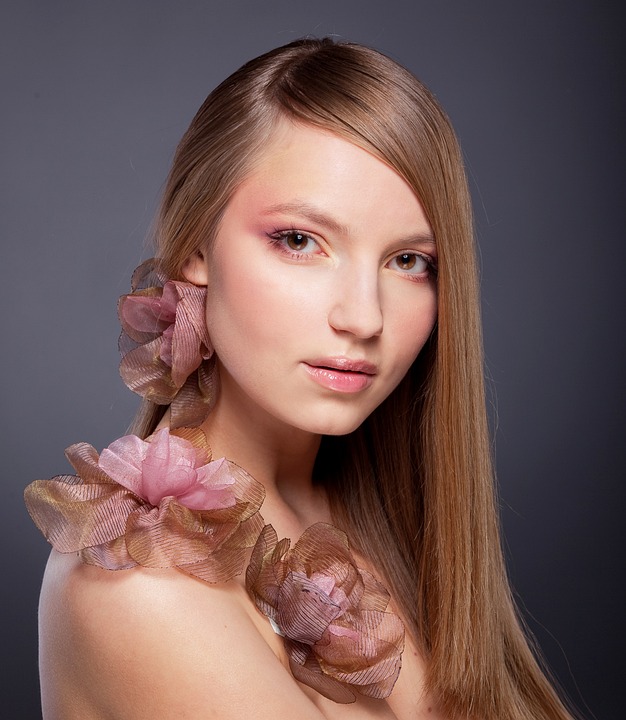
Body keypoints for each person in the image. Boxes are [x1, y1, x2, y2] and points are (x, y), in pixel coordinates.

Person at [25, 38, 575, 719]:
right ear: (196, 247)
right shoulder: (139, 586)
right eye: (299, 241)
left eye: (409, 261)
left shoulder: (380, 521)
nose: (364, 317)